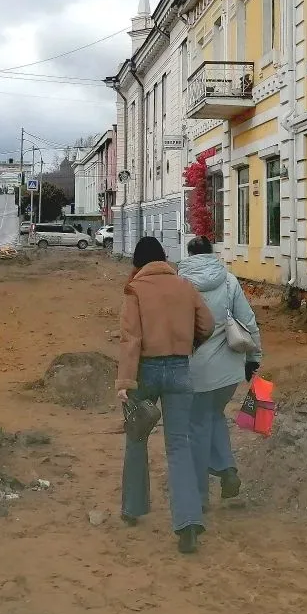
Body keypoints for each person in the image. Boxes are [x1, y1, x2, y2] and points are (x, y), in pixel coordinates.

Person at [117, 235, 214, 554]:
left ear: (138, 262)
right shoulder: (185, 286)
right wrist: (189, 344)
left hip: (145, 371)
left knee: (136, 437)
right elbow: (207, 324)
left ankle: (133, 508)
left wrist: (125, 381)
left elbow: (131, 339)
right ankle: (188, 523)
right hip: (179, 370)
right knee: (178, 445)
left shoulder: (135, 289)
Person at [177, 235, 262, 511]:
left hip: (196, 369)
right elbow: (248, 321)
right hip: (229, 368)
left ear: (189, 254)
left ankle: (200, 495)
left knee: (197, 426)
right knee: (214, 416)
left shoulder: (180, 283)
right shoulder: (229, 281)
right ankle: (227, 470)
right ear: (212, 253)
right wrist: (254, 358)